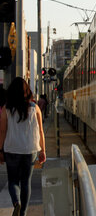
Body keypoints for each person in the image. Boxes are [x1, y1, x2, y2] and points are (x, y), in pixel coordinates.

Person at [0, 77, 46, 216]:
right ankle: (23, 213)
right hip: (30, 149)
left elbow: (2, 131)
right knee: (26, 182)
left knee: (13, 180)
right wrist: (43, 150)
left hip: (11, 149)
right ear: (27, 91)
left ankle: (16, 203)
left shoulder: (6, 110)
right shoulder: (35, 108)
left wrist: (0, 150)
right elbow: (40, 131)